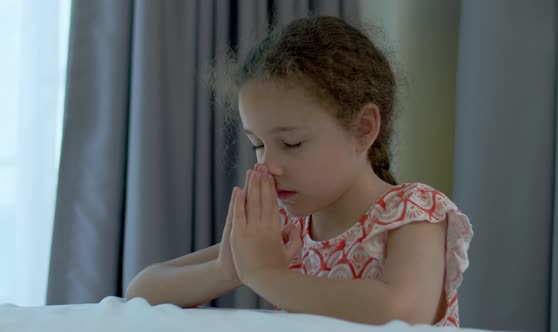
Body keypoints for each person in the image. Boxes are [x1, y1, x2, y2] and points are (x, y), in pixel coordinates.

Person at [126, 15, 473, 327]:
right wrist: (226, 268)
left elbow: (400, 312)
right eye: (257, 145)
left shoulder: (414, 212)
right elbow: (141, 291)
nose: (266, 165)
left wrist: (265, 274)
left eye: (291, 143)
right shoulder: (286, 228)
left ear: (364, 128)